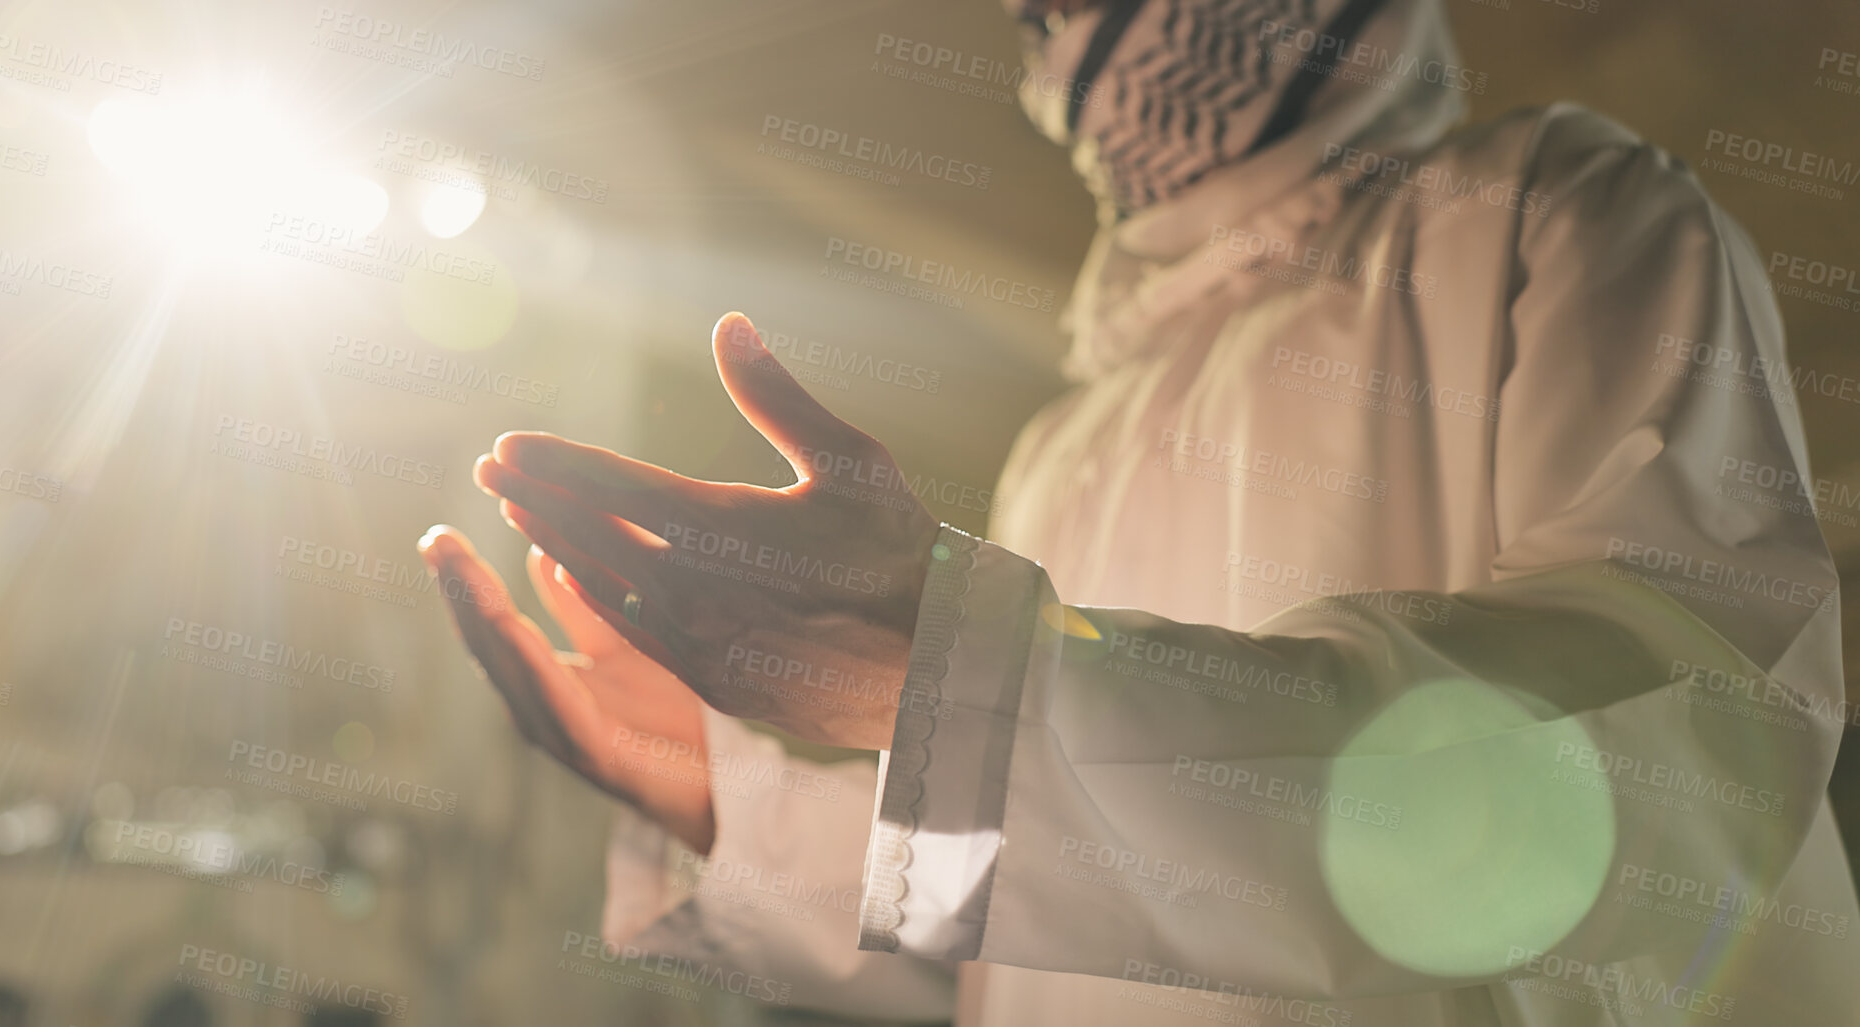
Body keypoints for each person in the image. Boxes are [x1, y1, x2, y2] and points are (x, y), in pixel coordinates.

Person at [418, 0, 1860, 1022]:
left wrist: (973, 685)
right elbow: (1042, 944)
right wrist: (756, 813)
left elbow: (1678, 763)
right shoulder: (1068, 444)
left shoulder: (1559, 210)